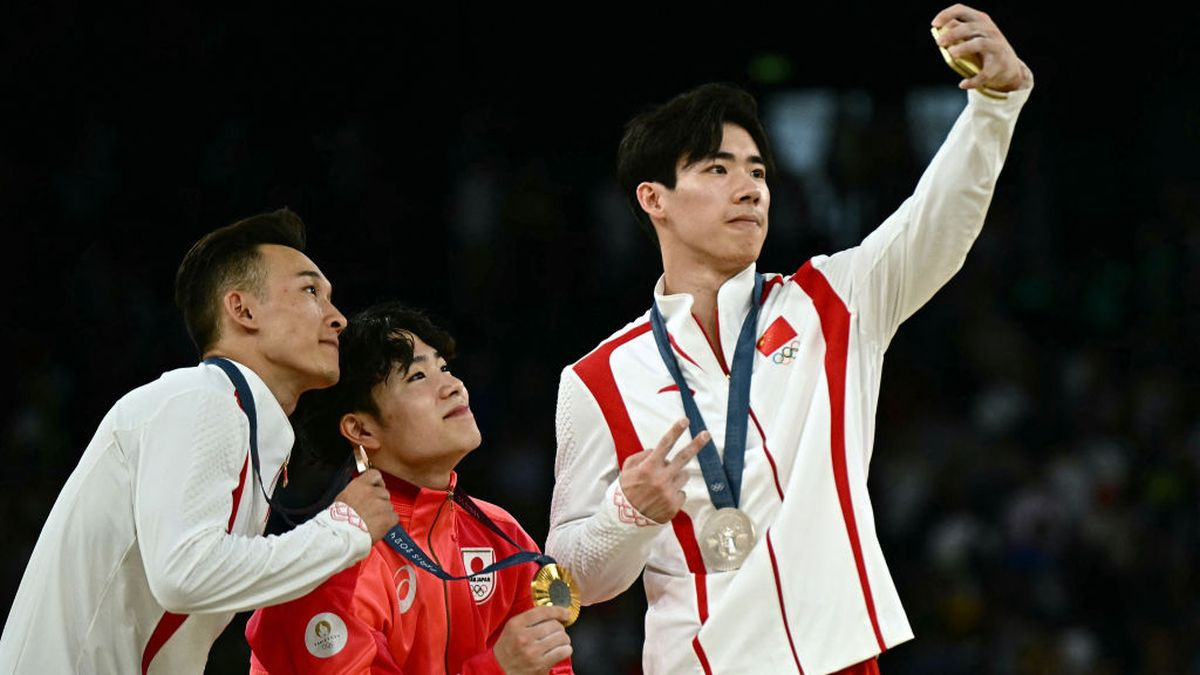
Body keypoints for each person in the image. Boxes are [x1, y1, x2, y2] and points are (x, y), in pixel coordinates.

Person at [545, 6, 1033, 674]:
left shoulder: (833, 301)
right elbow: (570, 576)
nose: (748, 188)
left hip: (840, 659)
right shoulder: (597, 379)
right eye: (718, 170)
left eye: (758, 172)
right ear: (653, 198)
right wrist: (628, 513)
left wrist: (994, 108)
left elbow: (935, 223)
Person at [0, 209, 398, 674]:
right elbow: (184, 574)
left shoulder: (236, 420)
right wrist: (344, 529)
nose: (339, 320)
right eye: (311, 291)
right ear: (242, 309)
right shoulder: (201, 398)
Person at [246, 302, 575, 674]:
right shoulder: (330, 564)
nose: (453, 386)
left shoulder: (500, 535)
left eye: (445, 367)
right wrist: (498, 669)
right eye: (418, 377)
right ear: (361, 430)